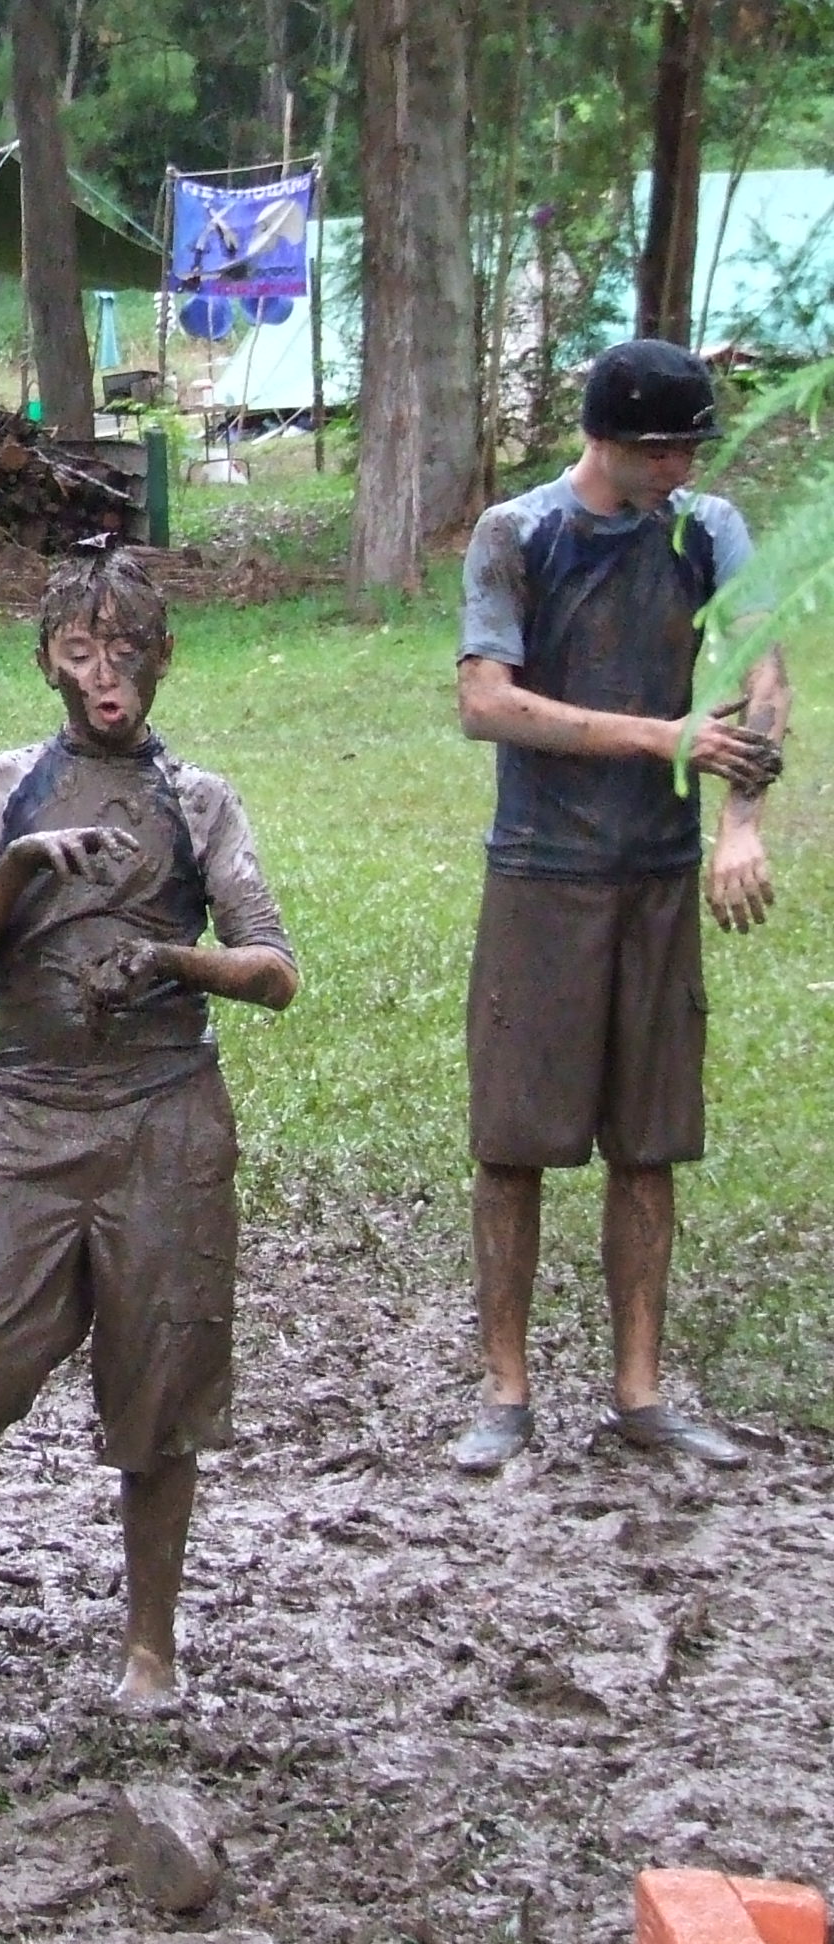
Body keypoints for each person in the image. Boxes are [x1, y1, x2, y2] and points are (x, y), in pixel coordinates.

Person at [0, 546, 297, 1710]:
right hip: (28, 1113)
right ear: (46, 665)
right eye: (81, 652)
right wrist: (21, 870)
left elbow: (275, 971)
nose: (105, 676)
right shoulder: (6, 786)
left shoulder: (199, 798)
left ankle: (150, 1644)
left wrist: (175, 960)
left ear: (162, 662)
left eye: (127, 652)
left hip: (165, 1118)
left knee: (160, 1380)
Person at [448, 338, 789, 1475]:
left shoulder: (708, 530)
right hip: (540, 871)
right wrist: (659, 736)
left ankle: (639, 1391)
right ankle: (506, 1392)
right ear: (606, 439)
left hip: (657, 875)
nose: (680, 465)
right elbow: (485, 705)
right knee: (516, 1141)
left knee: (651, 1143)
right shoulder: (518, 535)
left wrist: (739, 821)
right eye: (661, 448)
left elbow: (757, 668)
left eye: (691, 444)